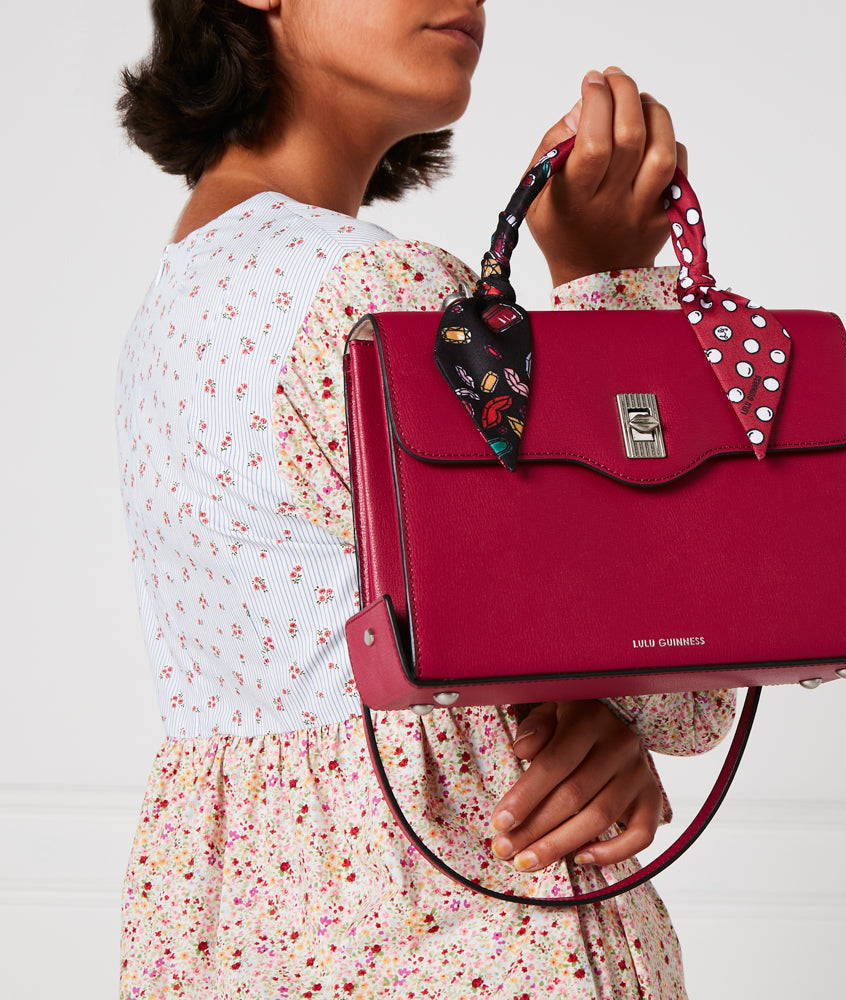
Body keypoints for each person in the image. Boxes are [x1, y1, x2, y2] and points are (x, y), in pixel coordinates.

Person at [115, 1, 736, 997]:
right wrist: (606, 279)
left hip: (249, 933)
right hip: (461, 922)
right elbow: (682, 673)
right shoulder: (375, 294)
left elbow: (504, 643)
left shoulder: (183, 294)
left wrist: (588, 713)